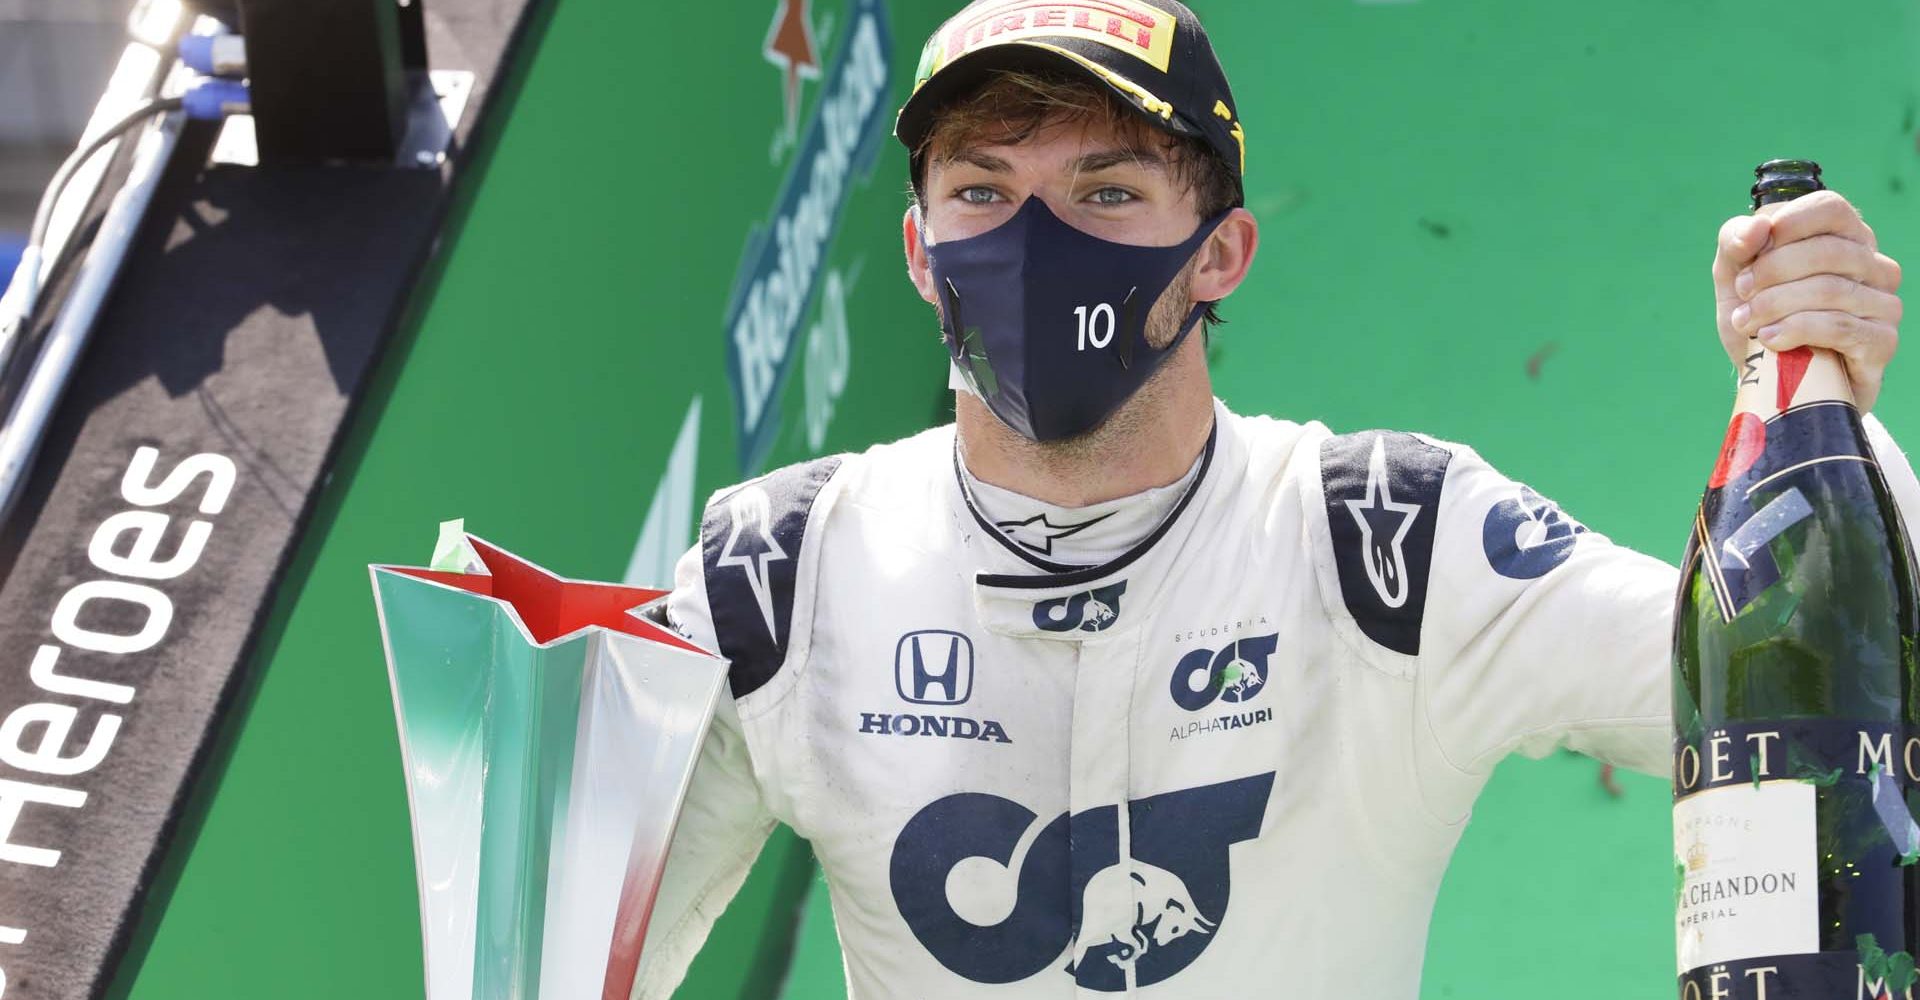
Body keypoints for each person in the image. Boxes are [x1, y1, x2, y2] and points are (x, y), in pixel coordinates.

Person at [634, 2, 1912, 996]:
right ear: (920, 250)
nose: (1033, 242)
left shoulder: (1393, 545)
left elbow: (1831, 692)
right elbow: (571, 943)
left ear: (1222, 252)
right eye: (982, 192)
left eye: (1107, 192)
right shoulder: (780, 571)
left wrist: (1825, 403)